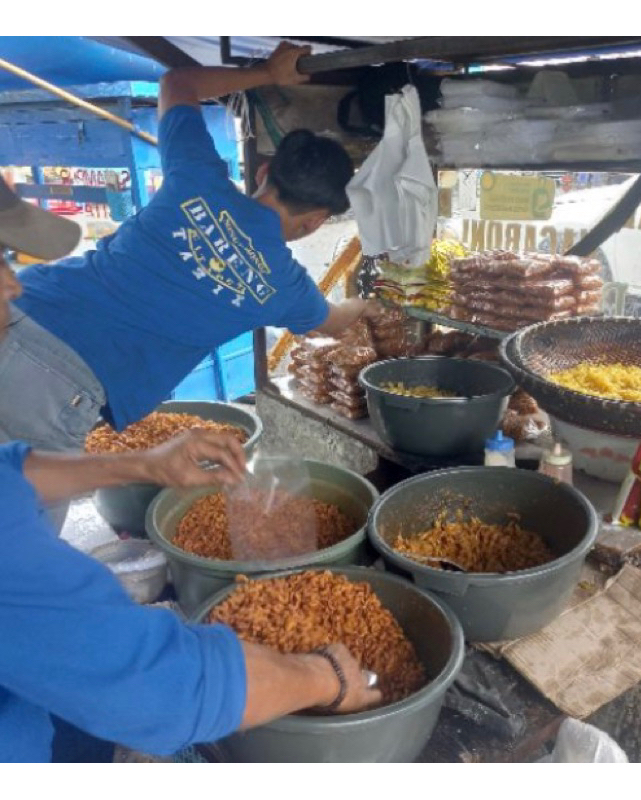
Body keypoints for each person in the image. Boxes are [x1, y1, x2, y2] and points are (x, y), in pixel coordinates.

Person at [0, 199, 381, 763]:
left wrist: (143, 464)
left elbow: (12, 474)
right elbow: (156, 688)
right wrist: (327, 678)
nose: (13, 287)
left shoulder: (195, 180)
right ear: (313, 219)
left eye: (7, 259)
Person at [0, 41, 379, 454]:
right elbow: (335, 322)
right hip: (57, 382)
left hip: (21, 305)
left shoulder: (195, 176)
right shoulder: (284, 287)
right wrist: (366, 306)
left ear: (265, 171)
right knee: (21, 508)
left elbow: (176, 83)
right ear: (316, 221)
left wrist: (271, 72)